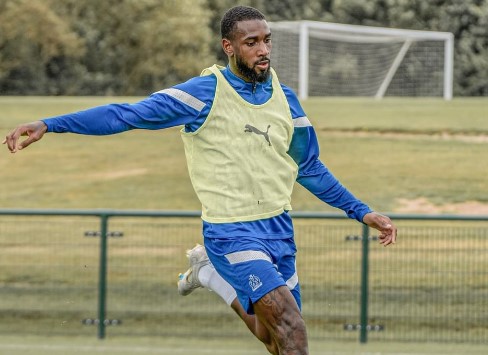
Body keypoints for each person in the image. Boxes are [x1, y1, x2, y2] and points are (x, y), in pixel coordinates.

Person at [4, 5, 397, 355]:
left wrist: (362, 212)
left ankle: (207, 273)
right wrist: (51, 125)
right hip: (231, 230)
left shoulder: (286, 99)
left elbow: (310, 168)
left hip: (279, 228)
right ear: (229, 47)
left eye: (267, 41)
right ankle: (213, 263)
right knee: (294, 331)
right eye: (251, 42)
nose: (263, 50)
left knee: (272, 337)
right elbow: (127, 114)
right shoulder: (205, 93)